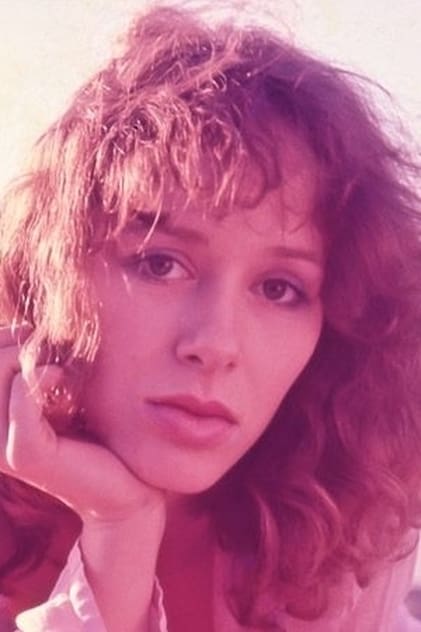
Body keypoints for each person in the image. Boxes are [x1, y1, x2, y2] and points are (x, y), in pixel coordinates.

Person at [0, 2, 421, 630]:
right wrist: (119, 533)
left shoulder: (350, 516)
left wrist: (122, 521)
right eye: (159, 263)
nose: (216, 344)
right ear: (51, 272)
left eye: (279, 288)